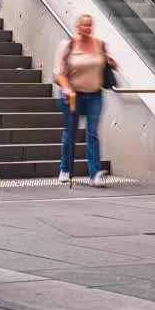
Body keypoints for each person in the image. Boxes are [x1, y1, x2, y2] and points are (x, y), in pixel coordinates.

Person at [54, 14, 118, 187]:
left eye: (90, 25)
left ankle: (95, 173)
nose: (88, 28)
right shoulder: (68, 45)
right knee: (70, 132)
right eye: (84, 25)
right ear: (77, 26)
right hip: (73, 95)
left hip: (95, 95)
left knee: (93, 133)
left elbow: (106, 62)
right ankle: (65, 168)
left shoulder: (99, 44)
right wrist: (66, 88)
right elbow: (58, 73)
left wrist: (111, 62)